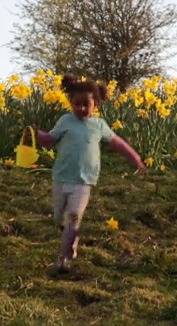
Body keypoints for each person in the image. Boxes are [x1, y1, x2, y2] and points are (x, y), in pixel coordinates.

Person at [34, 75, 145, 275]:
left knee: (74, 216)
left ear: (96, 104)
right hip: (61, 177)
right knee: (59, 217)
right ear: (71, 103)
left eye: (87, 104)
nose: (82, 109)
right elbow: (50, 140)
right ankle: (70, 240)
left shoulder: (99, 125)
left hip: (84, 181)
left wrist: (135, 158)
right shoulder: (65, 120)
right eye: (77, 104)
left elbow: (116, 142)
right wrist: (35, 134)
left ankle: (64, 259)